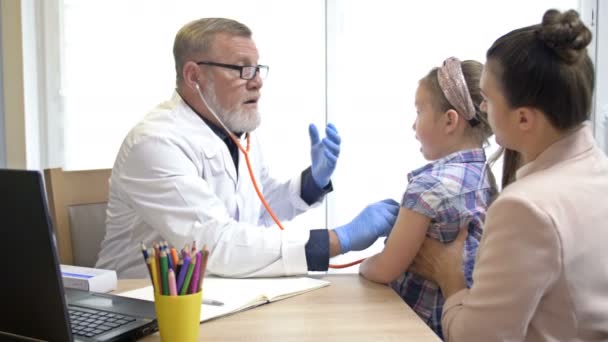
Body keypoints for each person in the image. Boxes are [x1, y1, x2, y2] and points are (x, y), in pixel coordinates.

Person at [96, 17, 399, 278]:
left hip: (222, 291)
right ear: (194, 76)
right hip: (146, 303)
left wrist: (311, 184)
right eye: (241, 69)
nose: (256, 83)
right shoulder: (154, 143)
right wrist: (337, 240)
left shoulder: (235, 132)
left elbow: (258, 211)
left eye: (257, 69)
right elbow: (214, 244)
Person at [409, 9, 608, 341]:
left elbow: (479, 338)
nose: (482, 109)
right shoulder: (598, 173)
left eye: (486, 99)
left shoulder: (525, 208)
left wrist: (451, 279)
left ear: (525, 119)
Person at [358, 57, 498, 338]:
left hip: (421, 328)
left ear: (450, 120)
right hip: (460, 322)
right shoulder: (487, 177)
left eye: (419, 112)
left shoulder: (428, 186)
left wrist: (364, 264)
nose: (413, 125)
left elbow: (386, 269)